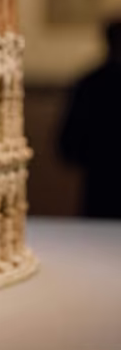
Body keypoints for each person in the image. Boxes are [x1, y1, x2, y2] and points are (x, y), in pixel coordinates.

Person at [59, 17, 121, 219]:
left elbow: (69, 144)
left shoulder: (90, 83)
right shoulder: (90, 83)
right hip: (100, 181)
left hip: (100, 181)